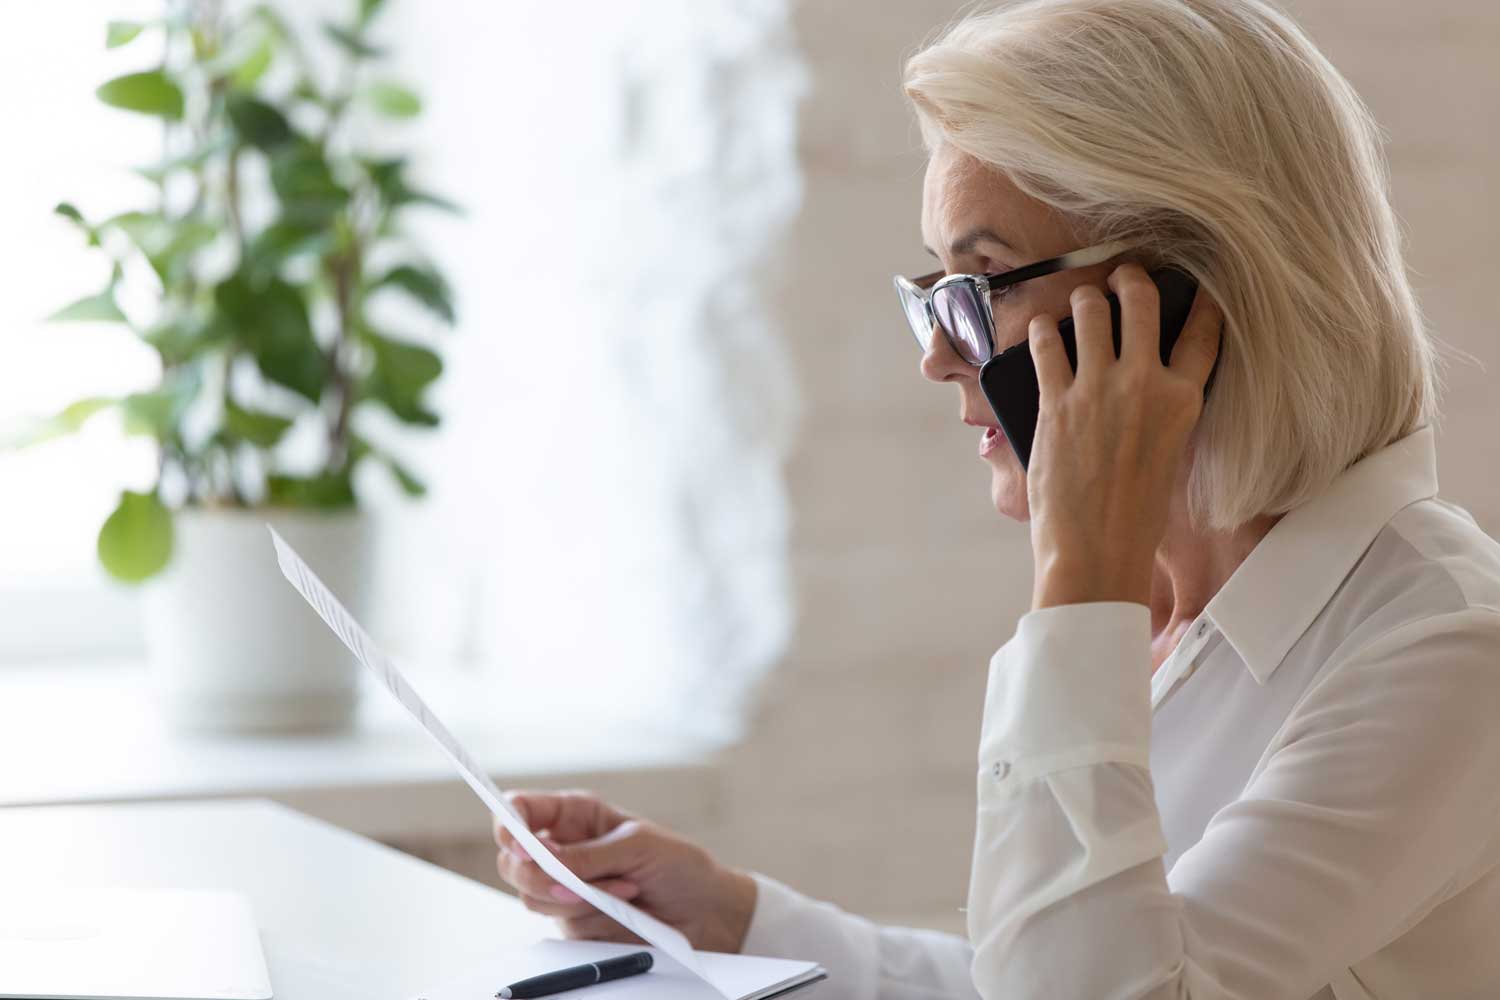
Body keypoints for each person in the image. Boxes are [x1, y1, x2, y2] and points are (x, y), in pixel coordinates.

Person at [494, 1, 1500, 996]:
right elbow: (1044, 967)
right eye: (932, 289)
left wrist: (1080, 582)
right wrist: (729, 915)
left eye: (985, 281)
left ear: (1186, 298)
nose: (938, 353)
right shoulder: (1158, 611)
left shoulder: (1441, 651)